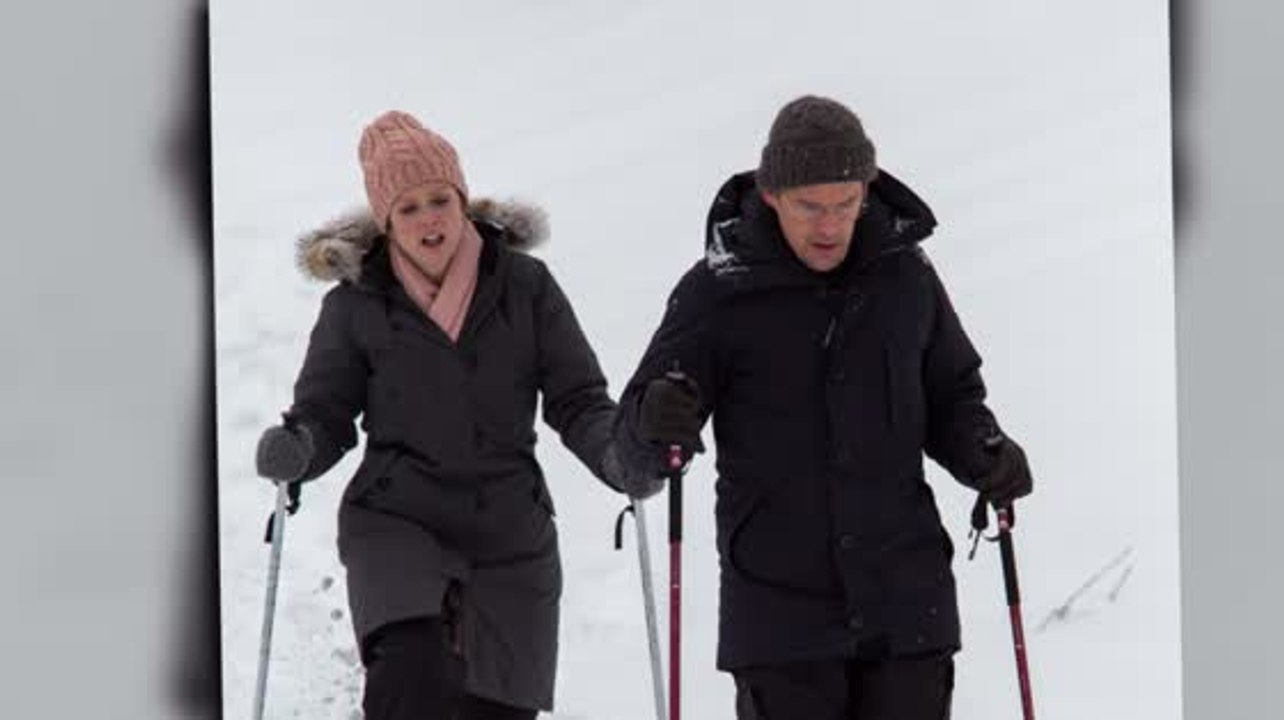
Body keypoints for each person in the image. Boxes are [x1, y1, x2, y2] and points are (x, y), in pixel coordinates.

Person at [612, 95, 1034, 719]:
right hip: (781, 623)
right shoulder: (718, 292)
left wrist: (984, 450)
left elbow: (952, 396)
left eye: (845, 204)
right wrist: (655, 418)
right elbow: (634, 452)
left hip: (906, 607)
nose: (830, 225)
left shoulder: (906, 278)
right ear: (772, 193)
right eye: (810, 206)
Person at [253, 110, 656, 720]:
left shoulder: (526, 286)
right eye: (408, 208)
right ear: (385, 222)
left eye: (439, 198)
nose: (428, 219)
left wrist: (618, 454)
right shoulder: (355, 306)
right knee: (412, 678)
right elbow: (326, 412)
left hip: (510, 534)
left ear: (462, 200)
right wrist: (300, 447)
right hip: (397, 519)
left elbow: (579, 400)